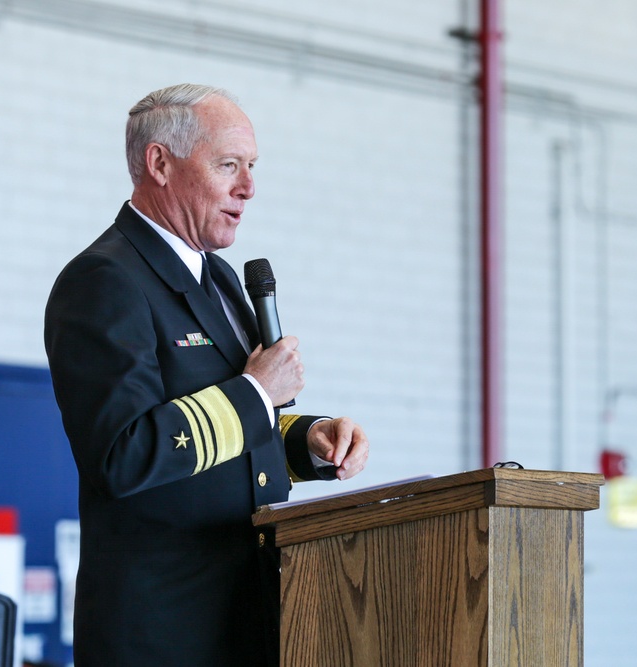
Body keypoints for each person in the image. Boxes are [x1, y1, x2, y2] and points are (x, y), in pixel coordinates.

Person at [44, 83, 370, 667]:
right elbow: (125, 453)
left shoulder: (218, 280)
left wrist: (307, 441)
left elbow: (232, 439)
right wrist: (256, 391)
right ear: (160, 163)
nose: (248, 187)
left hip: (249, 619)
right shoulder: (105, 281)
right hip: (162, 634)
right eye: (228, 165)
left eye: (251, 167)